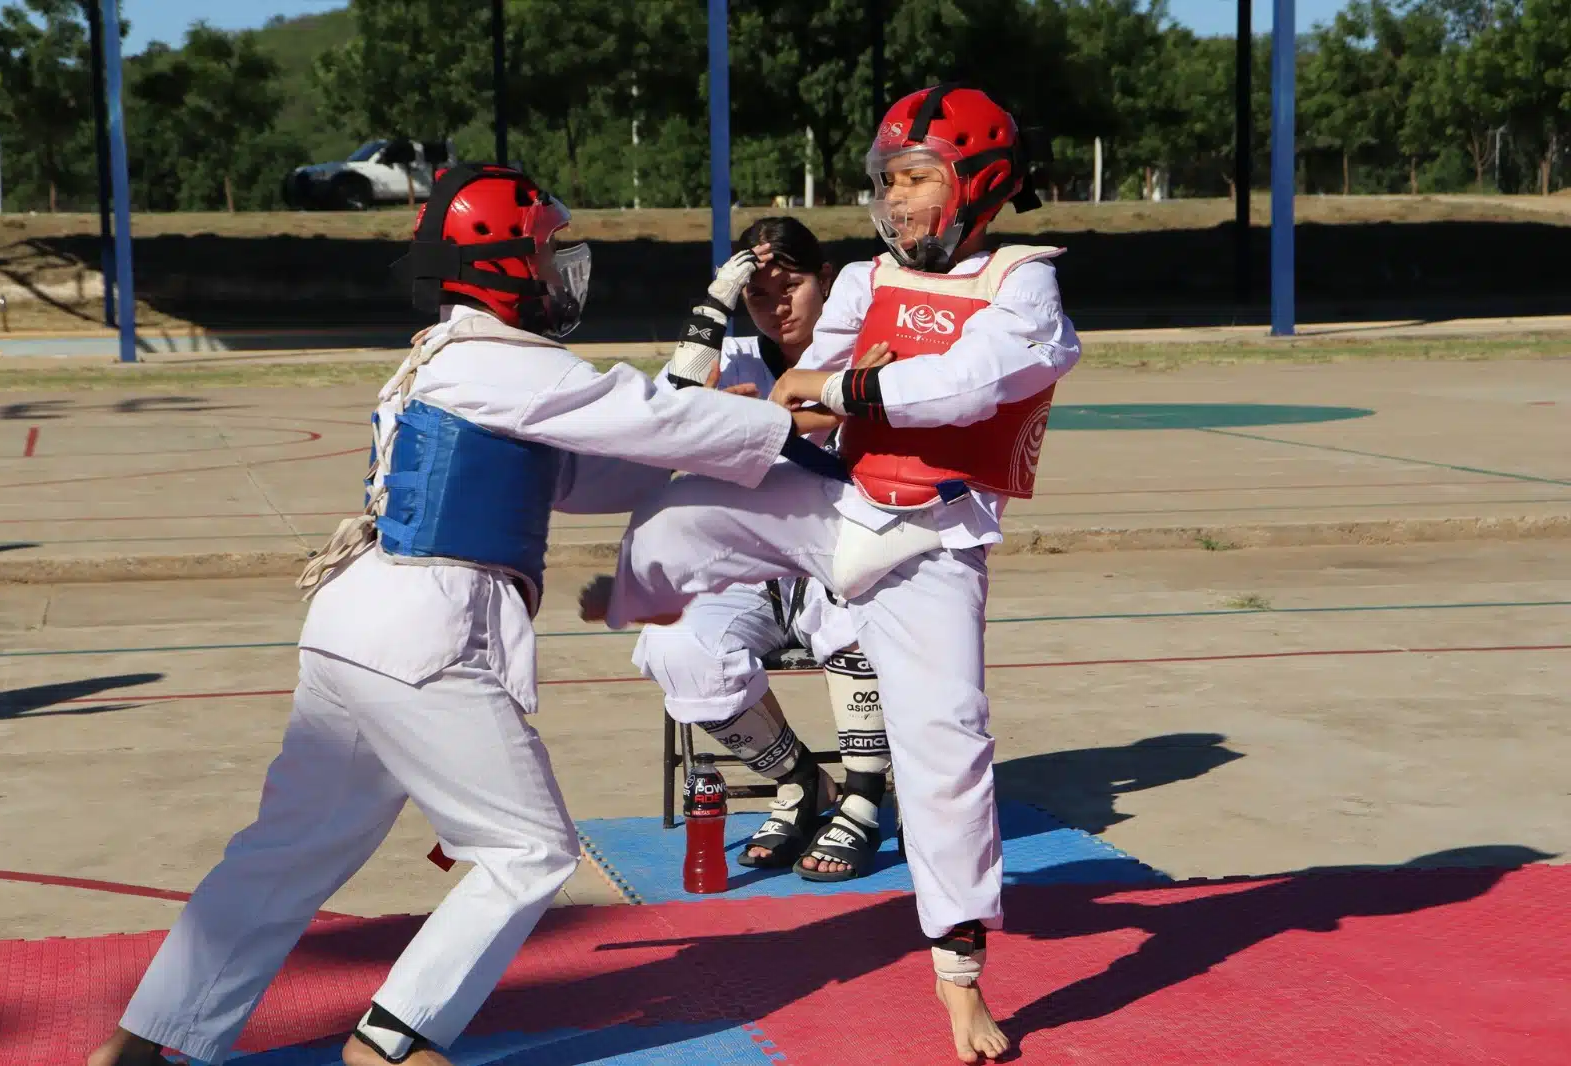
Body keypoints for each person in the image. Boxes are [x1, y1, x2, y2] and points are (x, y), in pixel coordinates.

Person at [87, 164, 831, 1066]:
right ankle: (392, 1043)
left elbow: (596, 470)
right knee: (527, 851)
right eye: (549, 251)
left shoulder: (455, 357)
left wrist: (723, 425)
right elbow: (636, 415)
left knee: (287, 851)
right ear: (503, 263)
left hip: (355, 634)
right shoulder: (499, 363)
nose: (562, 270)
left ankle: (141, 1044)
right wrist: (780, 424)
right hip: (424, 640)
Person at [581, 85, 1082, 1064]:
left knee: (945, 748)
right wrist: (843, 390)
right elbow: (796, 402)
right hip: (834, 506)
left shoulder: (1021, 282)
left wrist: (852, 387)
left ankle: (958, 976)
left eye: (916, 179)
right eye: (887, 181)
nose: (896, 201)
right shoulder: (862, 279)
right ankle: (632, 596)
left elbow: (969, 383)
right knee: (679, 510)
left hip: (932, 546)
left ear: (976, 180)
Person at [637, 216, 895, 881]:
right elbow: (667, 418)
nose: (777, 304)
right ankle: (802, 782)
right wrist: (716, 310)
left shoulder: (869, 350)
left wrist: (750, 424)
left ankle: (865, 795)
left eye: (793, 286)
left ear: (826, 281)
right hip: (746, 569)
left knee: (856, 590)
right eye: (759, 294)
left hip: (838, 557)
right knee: (674, 646)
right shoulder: (731, 360)